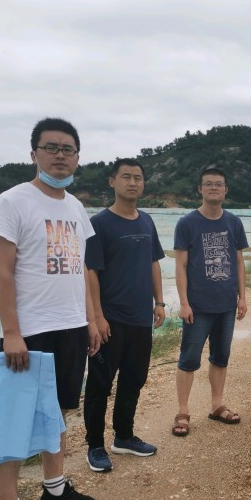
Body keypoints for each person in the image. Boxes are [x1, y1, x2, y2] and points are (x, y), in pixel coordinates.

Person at [0, 117, 101, 500]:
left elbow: (80, 271)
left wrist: (90, 320)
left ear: (77, 158)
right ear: (33, 153)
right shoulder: (12, 201)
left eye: (68, 149)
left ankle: (54, 490)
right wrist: (11, 332)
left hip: (70, 327)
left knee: (59, 413)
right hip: (29, 331)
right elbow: (2, 273)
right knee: (14, 421)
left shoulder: (76, 207)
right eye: (51, 147)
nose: (60, 155)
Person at [83, 158, 166, 472]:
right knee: (100, 385)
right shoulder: (99, 223)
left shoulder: (146, 221)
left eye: (138, 178)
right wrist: (97, 317)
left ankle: (124, 436)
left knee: (134, 380)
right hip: (111, 320)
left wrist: (160, 302)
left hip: (140, 319)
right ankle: (95, 445)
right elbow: (91, 271)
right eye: (126, 177)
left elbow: (154, 263)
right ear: (112, 181)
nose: (133, 183)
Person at [172, 168, 248, 437]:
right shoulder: (187, 223)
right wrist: (184, 302)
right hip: (198, 306)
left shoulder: (233, 222)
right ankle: (183, 411)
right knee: (188, 359)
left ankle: (217, 405)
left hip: (226, 305)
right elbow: (180, 265)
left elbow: (238, 261)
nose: (214, 187)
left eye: (219, 184)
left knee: (221, 357)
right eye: (208, 184)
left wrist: (242, 297)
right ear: (200, 189)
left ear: (225, 190)